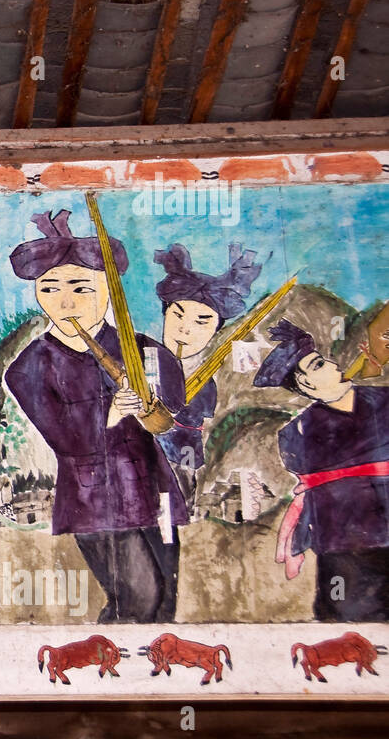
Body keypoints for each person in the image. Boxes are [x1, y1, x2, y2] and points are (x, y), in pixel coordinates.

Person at [4, 208, 187, 623]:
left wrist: (159, 383)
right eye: (49, 289)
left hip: (150, 487)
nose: (64, 302)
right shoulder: (29, 367)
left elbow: (178, 409)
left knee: (166, 603)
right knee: (137, 599)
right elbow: (66, 441)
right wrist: (111, 412)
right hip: (94, 497)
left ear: (108, 290)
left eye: (80, 288)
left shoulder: (136, 346)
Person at [253, 319, 389, 621]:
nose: (331, 365)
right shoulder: (296, 433)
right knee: (345, 616)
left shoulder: (384, 401)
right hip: (341, 537)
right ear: (305, 385)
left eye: (323, 359)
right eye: (317, 365)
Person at [152, 243, 262, 503]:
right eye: (177, 315)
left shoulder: (212, 377)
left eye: (201, 322)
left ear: (215, 330)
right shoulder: (146, 359)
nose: (185, 330)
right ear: (165, 314)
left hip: (184, 460)